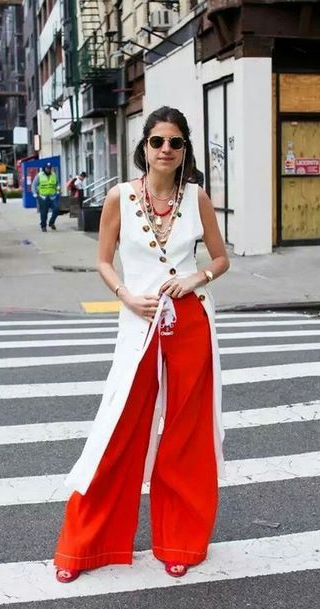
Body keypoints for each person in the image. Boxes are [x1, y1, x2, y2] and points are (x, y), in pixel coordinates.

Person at [54, 106, 229, 583]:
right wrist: (126, 296)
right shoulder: (118, 197)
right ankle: (87, 545)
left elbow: (220, 258)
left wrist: (197, 277)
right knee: (119, 429)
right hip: (139, 321)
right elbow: (104, 260)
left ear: (184, 148)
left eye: (175, 142)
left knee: (186, 435)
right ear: (145, 148)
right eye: (157, 141)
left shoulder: (197, 198)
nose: (166, 149)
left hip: (190, 321)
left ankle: (182, 541)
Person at [32, 162, 61, 231]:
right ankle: (43, 226)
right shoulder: (39, 175)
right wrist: (35, 194)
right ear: (44, 168)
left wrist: (58, 188)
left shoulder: (54, 175)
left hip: (52, 196)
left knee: (56, 209)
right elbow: (34, 185)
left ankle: (51, 222)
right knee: (44, 212)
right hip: (43, 197)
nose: (48, 169)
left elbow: (57, 183)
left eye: (50, 168)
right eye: (47, 168)